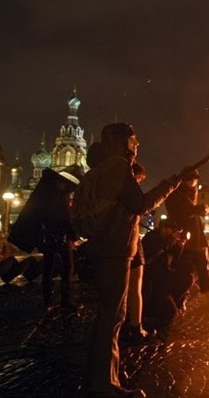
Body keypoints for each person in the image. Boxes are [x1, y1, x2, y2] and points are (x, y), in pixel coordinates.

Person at [83, 123, 181, 398]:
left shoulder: (102, 166)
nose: (137, 145)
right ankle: (105, 384)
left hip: (105, 246)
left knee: (107, 315)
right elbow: (140, 204)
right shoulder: (117, 166)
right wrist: (169, 186)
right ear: (121, 141)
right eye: (133, 140)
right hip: (115, 248)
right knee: (113, 317)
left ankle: (98, 377)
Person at [164, 167, 209, 307]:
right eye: (190, 179)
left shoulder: (191, 192)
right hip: (183, 235)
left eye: (195, 179)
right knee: (184, 270)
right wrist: (198, 209)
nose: (193, 182)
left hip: (197, 235)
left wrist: (200, 210)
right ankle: (180, 298)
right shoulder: (175, 193)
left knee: (203, 266)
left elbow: (193, 211)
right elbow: (180, 212)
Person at [36, 167, 81, 312]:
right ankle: (66, 301)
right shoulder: (61, 197)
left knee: (48, 270)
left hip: (48, 238)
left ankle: (47, 301)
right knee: (67, 270)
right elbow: (66, 219)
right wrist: (74, 236)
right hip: (62, 238)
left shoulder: (44, 198)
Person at [141, 218, 194, 341]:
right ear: (164, 229)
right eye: (172, 230)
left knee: (187, 278)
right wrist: (171, 240)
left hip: (165, 279)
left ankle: (174, 302)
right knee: (170, 313)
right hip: (152, 283)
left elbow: (178, 262)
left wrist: (181, 245)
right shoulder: (151, 238)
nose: (175, 233)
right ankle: (151, 311)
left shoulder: (170, 240)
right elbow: (152, 258)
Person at [120, 162, 150, 343]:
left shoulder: (110, 191)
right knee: (135, 288)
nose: (139, 184)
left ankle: (122, 324)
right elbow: (143, 205)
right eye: (138, 180)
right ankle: (136, 327)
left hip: (116, 244)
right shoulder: (129, 194)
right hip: (130, 241)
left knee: (120, 290)